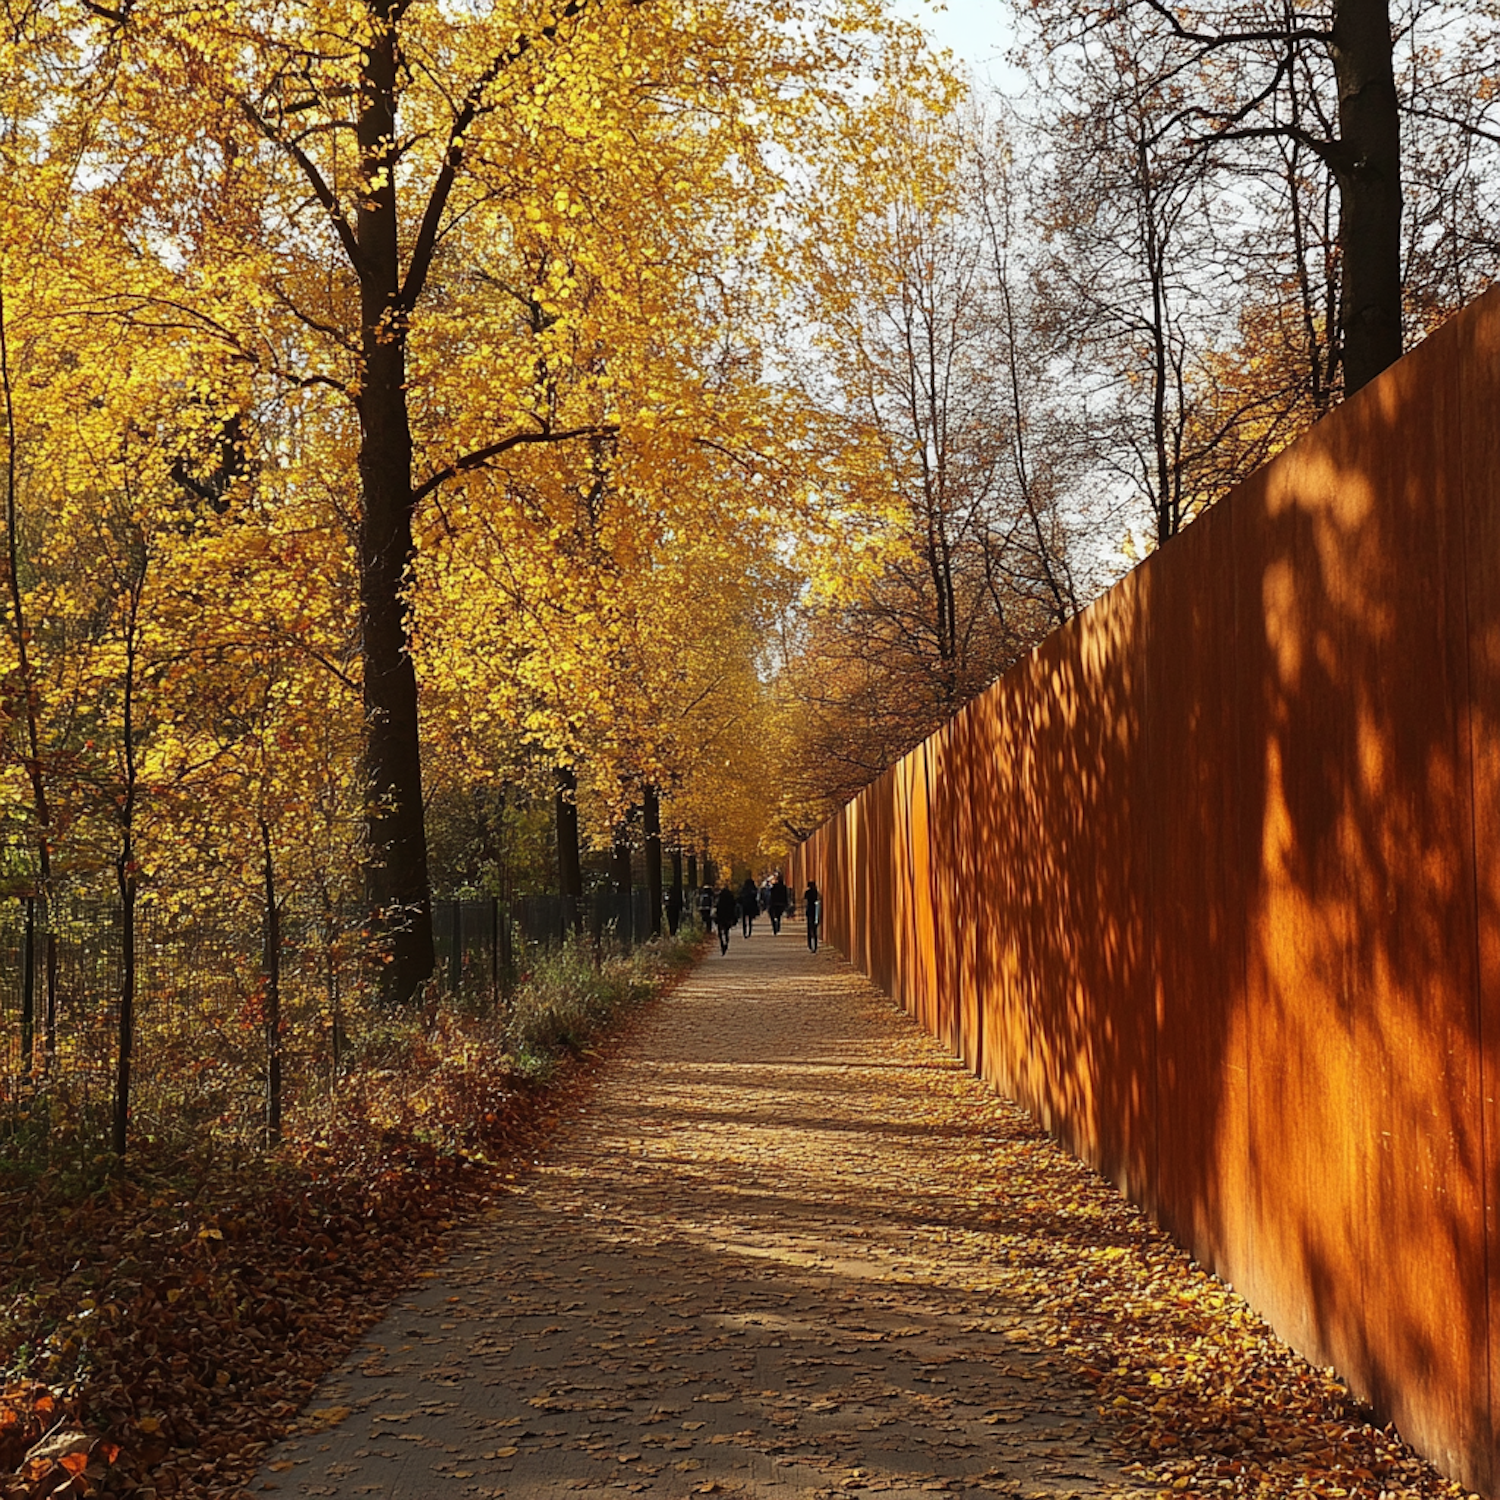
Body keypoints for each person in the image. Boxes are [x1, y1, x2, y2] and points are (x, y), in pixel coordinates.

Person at [714, 885, 737, 955]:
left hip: (720, 917)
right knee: (726, 931)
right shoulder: (730, 898)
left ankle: (722, 944)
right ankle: (726, 942)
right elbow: (734, 907)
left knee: (720, 932)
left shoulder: (720, 898)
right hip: (728, 917)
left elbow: (717, 907)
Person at [804, 879, 821, 953]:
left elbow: (804, 901)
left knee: (809, 929)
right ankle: (815, 946)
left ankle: (810, 945)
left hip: (809, 911)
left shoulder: (807, 893)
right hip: (815, 911)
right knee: (814, 929)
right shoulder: (816, 892)